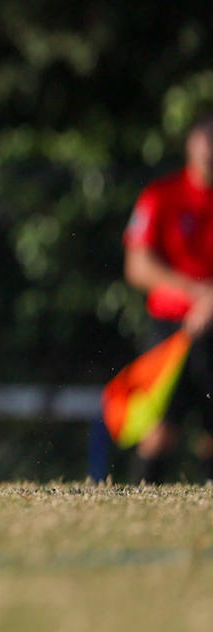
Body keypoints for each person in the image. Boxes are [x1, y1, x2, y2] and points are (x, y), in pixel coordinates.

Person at [123, 114, 213, 481]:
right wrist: (200, 296)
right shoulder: (161, 196)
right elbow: (138, 266)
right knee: (160, 429)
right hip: (170, 331)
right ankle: (138, 499)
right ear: (191, 143)